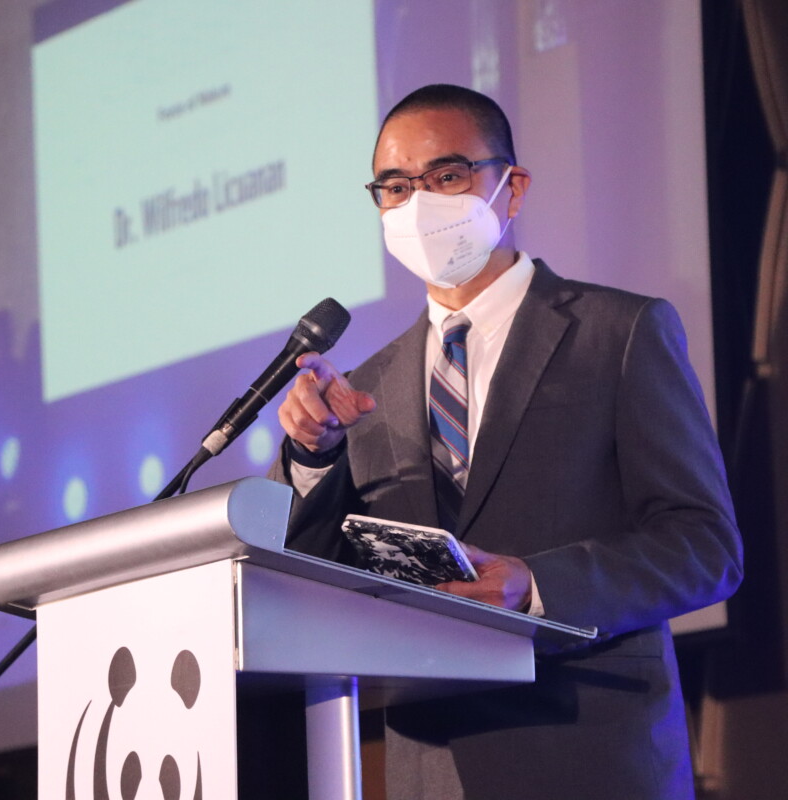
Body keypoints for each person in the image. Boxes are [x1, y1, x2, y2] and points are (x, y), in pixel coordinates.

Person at [271, 84, 743, 799]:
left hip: (591, 756)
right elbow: (321, 577)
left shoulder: (620, 333)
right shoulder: (368, 385)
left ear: (512, 188)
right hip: (432, 765)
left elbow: (705, 547)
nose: (418, 205)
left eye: (448, 177)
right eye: (395, 187)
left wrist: (538, 586)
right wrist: (314, 459)